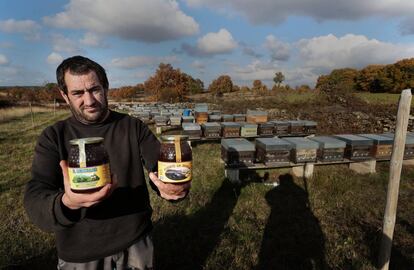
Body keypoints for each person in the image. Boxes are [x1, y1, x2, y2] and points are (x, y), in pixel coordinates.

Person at [24, 55, 191, 269]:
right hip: (80, 254)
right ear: (64, 96)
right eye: (77, 93)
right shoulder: (53, 136)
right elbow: (36, 194)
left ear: (106, 87)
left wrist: (172, 188)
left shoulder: (132, 126)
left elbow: (161, 167)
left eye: (95, 89)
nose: (90, 100)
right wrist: (67, 203)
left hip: (136, 242)